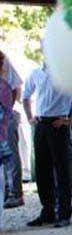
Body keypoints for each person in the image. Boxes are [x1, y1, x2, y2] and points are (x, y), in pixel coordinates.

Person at [22, 62, 72, 228]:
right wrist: (30, 116)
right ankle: (48, 210)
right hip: (41, 123)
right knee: (42, 169)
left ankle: (64, 212)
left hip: (58, 123)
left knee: (62, 169)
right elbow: (25, 95)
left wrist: (70, 120)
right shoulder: (36, 73)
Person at [0, 49, 23, 208]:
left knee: (10, 155)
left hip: (5, 115)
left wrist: (7, 110)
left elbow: (16, 87)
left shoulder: (3, 59)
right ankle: (7, 192)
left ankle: (15, 193)